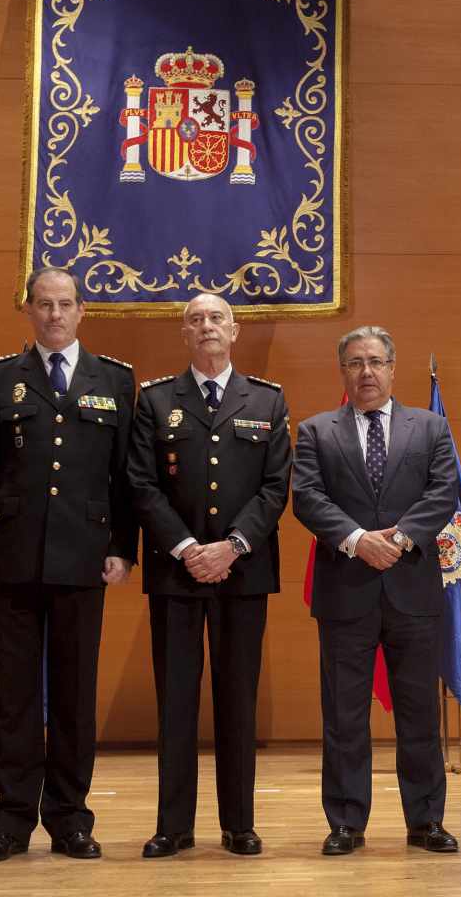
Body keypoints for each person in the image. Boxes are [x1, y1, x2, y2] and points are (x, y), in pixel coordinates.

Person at [0, 267, 138, 863]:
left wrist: (122, 546)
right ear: (28, 310)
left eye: (65, 304)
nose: (55, 314)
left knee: (72, 693)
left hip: (83, 560)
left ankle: (70, 819)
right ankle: (10, 822)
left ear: (81, 310)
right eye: (44, 304)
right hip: (11, 557)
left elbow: (125, 479)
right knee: (13, 696)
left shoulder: (114, 379)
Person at [127, 294, 291, 858]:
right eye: (195, 320)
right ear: (184, 333)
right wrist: (188, 546)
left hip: (242, 573)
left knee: (236, 699)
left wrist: (233, 547)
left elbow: (276, 489)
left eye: (216, 318)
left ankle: (238, 823)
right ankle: (173, 826)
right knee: (175, 701)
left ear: (235, 330)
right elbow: (142, 485)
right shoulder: (154, 400)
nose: (206, 326)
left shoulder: (267, 400)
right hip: (177, 573)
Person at [291, 326, 459, 856]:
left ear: (393, 367)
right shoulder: (317, 430)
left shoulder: (430, 427)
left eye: (376, 362)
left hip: (412, 591)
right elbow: (307, 497)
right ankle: (346, 823)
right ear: (343, 371)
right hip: (346, 591)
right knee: (343, 716)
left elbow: (444, 491)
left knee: (418, 714)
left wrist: (401, 539)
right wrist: (359, 540)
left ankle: (426, 821)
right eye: (356, 363)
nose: (367, 372)